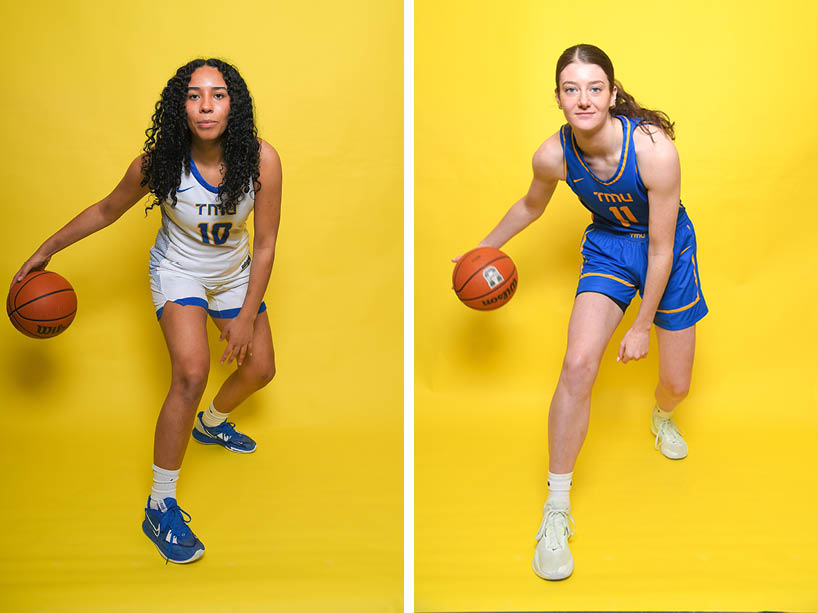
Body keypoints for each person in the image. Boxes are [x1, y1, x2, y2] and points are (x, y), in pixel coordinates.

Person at [13, 58, 282, 564]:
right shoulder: (159, 163)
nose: (206, 106)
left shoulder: (261, 159)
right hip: (179, 270)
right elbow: (105, 210)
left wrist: (246, 315)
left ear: (234, 105)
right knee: (191, 372)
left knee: (261, 369)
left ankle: (211, 423)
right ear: (180, 106)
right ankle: (160, 504)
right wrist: (46, 250)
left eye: (218, 95)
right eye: (194, 95)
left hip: (233, 272)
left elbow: (265, 244)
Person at [460, 44, 707, 580]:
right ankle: (556, 506)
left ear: (612, 94)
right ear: (558, 98)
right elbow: (530, 205)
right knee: (577, 365)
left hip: (667, 251)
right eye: (571, 89)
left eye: (595, 88)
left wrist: (642, 324)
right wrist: (483, 249)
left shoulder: (654, 151)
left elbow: (661, 248)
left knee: (677, 385)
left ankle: (662, 416)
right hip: (609, 248)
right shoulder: (552, 155)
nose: (584, 99)